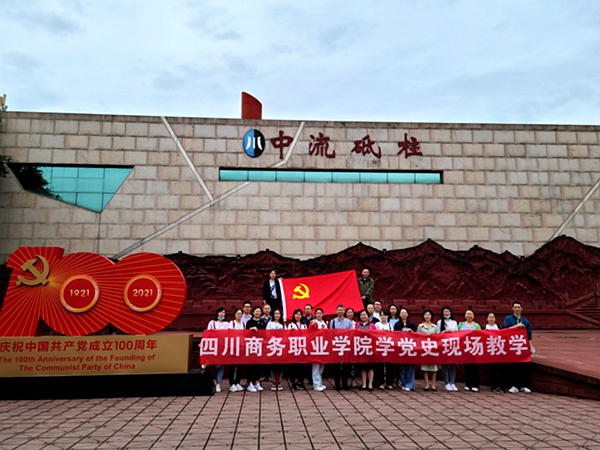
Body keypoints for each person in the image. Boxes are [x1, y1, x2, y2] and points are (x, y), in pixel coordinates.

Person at [503, 301, 533, 393]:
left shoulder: (525, 321)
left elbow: (529, 335)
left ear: (521, 309)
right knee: (513, 366)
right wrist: (517, 326)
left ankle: (524, 385)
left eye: (518, 307)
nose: (517, 309)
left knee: (524, 366)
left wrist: (530, 346)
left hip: (522, 346)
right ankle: (514, 385)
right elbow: (505, 329)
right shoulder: (508, 318)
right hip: (512, 345)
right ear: (512, 308)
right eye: (515, 307)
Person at [205, 307, 229, 393]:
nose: (222, 314)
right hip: (213, 346)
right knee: (209, 364)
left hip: (222, 346)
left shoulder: (227, 324)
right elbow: (207, 333)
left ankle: (218, 383)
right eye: (220, 312)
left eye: (223, 312)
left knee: (220, 366)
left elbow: (228, 334)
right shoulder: (212, 322)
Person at [330, 304, 352, 390]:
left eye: (341, 310)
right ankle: (337, 385)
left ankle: (345, 384)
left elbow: (351, 333)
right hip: (336, 346)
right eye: (338, 310)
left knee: (346, 366)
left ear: (344, 311)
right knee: (336, 367)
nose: (340, 311)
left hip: (346, 346)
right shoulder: (333, 322)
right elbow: (330, 333)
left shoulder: (348, 322)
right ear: (336, 311)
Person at [458, 309, 481, 392]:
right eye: (467, 314)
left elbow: (481, 336)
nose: (469, 316)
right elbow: (457, 335)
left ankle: (475, 385)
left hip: (474, 349)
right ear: (465, 315)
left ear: (473, 316)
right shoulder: (461, 324)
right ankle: (468, 384)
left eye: (470, 314)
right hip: (465, 349)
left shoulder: (476, 325)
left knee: (474, 367)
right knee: (466, 367)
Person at [437, 305, 458, 391]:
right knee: (445, 365)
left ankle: (452, 382)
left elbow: (458, 333)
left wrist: (451, 332)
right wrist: (444, 332)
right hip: (444, 345)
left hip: (453, 345)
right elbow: (438, 334)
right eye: (445, 312)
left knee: (453, 365)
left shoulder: (454, 322)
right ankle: (447, 383)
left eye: (448, 311)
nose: (446, 313)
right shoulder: (439, 322)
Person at [246, 306, 267, 392]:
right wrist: (250, 330)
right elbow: (245, 333)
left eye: (259, 311)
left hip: (260, 346)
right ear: (253, 312)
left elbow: (265, 333)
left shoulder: (262, 322)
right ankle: (250, 383)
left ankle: (257, 382)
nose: (258, 313)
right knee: (251, 366)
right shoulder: (249, 322)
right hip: (251, 346)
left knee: (259, 365)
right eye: (256, 311)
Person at [394, 307, 416, 391]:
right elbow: (394, 335)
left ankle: (409, 384)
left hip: (410, 348)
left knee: (410, 367)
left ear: (407, 314)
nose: (403, 314)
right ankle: (403, 383)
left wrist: (412, 332)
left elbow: (416, 336)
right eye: (402, 313)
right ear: (399, 315)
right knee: (402, 367)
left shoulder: (412, 324)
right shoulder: (397, 325)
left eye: (405, 313)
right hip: (401, 348)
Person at [417, 309, 438, 391]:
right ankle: (426, 385)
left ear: (431, 316)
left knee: (434, 368)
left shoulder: (435, 327)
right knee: (425, 367)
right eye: (426, 315)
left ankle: (433, 385)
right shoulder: (420, 326)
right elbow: (417, 336)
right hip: (424, 349)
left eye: (429, 315)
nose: (427, 316)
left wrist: (432, 336)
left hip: (433, 349)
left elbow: (439, 337)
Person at [485, 312, 505, 392]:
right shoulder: (484, 327)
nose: (491, 319)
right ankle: (494, 386)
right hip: (490, 351)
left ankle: (502, 386)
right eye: (489, 317)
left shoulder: (499, 327)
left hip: (499, 351)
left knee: (501, 369)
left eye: (493, 317)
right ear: (487, 319)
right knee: (492, 370)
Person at [287, 308, 307, 391]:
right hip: (293, 347)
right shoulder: (290, 325)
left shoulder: (304, 325)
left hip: (302, 348)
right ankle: (293, 382)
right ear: (294, 315)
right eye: (296, 314)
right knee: (293, 367)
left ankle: (300, 382)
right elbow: (287, 335)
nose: (298, 316)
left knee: (301, 366)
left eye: (299, 314)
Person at [355, 310, 376, 391]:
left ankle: (370, 384)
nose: (363, 316)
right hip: (361, 348)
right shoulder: (357, 325)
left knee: (370, 367)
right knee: (363, 367)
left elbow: (376, 335)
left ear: (368, 316)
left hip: (370, 348)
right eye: (362, 315)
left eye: (365, 315)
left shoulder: (372, 325)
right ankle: (364, 384)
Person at [309, 308, 328, 391]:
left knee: (321, 366)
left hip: (323, 346)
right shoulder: (313, 322)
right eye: (318, 313)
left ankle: (319, 382)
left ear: (323, 314)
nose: (319, 315)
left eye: (320, 313)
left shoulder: (325, 323)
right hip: (315, 346)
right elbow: (309, 333)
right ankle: (316, 384)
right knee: (316, 366)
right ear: (315, 314)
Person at [375, 309, 394, 389]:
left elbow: (393, 335)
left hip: (388, 347)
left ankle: (389, 383)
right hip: (380, 347)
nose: (383, 317)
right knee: (380, 366)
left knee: (389, 366)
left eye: (384, 315)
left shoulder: (390, 325)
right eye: (381, 315)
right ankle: (381, 382)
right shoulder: (377, 324)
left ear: (387, 316)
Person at [266, 309, 285, 390]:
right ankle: (274, 382)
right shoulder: (270, 323)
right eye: (275, 313)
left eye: (278, 313)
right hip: (272, 346)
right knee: (272, 366)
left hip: (281, 346)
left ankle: (279, 382)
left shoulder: (283, 324)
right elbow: (267, 334)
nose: (277, 315)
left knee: (281, 366)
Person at [228, 308, 246, 392]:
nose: (239, 315)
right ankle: (231, 383)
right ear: (234, 314)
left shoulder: (243, 324)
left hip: (241, 347)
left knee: (239, 366)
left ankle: (237, 382)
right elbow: (230, 333)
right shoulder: (232, 323)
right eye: (237, 313)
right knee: (232, 366)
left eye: (240, 314)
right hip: (233, 347)